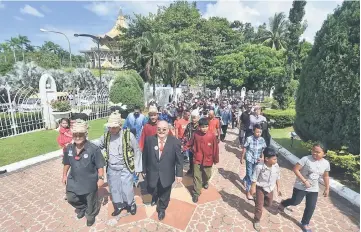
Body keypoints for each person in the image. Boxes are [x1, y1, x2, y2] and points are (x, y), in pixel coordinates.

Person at [93, 111, 142, 217]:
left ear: (120, 126)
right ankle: (119, 205)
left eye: (114, 127)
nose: (112, 129)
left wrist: (138, 168)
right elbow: (98, 144)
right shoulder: (106, 136)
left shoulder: (128, 135)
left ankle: (131, 204)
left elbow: (137, 151)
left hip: (125, 167)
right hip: (111, 168)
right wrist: (85, 142)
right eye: (110, 127)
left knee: (127, 188)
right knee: (114, 188)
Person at [62, 120, 105, 227]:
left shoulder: (93, 149)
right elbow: (66, 163)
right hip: (74, 179)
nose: (77, 137)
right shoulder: (69, 148)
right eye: (75, 134)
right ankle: (82, 207)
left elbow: (100, 165)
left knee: (91, 202)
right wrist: (64, 175)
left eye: (80, 134)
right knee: (71, 197)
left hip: (89, 181)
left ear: (85, 134)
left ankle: (90, 215)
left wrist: (100, 178)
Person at [278, 143, 330, 232]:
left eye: (318, 152)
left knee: (311, 206)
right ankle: (283, 204)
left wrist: (327, 188)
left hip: (314, 188)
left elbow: (326, 176)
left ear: (324, 154)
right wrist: (304, 181)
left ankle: (305, 223)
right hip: (300, 186)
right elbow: (295, 169)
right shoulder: (306, 159)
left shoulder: (326, 163)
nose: (314, 153)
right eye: (313, 151)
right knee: (295, 202)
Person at [142, 120, 183, 221]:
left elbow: (179, 160)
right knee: (152, 188)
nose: (161, 131)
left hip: (167, 173)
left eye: (164, 129)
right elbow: (144, 156)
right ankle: (155, 197)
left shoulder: (175, 142)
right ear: (156, 130)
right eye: (159, 129)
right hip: (152, 171)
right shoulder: (149, 140)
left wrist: (179, 174)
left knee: (165, 192)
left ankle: (161, 208)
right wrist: (143, 169)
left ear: (168, 130)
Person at [185, 118, 219, 203]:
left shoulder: (212, 136)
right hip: (197, 159)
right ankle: (196, 193)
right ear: (199, 127)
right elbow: (190, 143)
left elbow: (215, 149)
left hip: (208, 159)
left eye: (206, 126)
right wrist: (184, 148)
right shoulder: (196, 134)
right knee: (197, 176)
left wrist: (215, 158)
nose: (204, 128)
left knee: (207, 174)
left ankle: (205, 181)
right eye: (203, 127)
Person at [251, 147, 282, 231]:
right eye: (274, 159)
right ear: (267, 159)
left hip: (270, 189)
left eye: (276, 159)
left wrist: (278, 188)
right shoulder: (259, 167)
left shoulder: (276, 166)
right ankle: (257, 220)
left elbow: (278, 177)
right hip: (260, 188)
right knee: (259, 207)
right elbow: (254, 179)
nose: (276, 161)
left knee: (269, 203)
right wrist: (253, 188)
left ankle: (258, 203)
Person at [240, 124, 267, 200]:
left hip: (257, 160)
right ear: (253, 131)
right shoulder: (249, 139)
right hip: (249, 159)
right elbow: (245, 148)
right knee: (250, 176)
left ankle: (244, 180)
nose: (259, 134)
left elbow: (263, 150)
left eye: (260, 132)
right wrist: (242, 157)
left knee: (253, 174)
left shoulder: (262, 140)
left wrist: (262, 158)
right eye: (257, 132)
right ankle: (248, 192)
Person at [122, 106, 147, 186]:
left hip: (139, 140)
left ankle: (136, 177)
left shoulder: (143, 117)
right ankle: (132, 177)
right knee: (130, 158)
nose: (136, 113)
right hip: (129, 139)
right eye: (135, 112)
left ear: (140, 111)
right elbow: (124, 126)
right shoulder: (129, 116)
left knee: (137, 159)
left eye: (138, 112)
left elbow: (146, 127)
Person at [183, 110, 200, 176]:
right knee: (190, 158)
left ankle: (196, 172)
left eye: (195, 117)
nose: (193, 119)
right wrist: (184, 143)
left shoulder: (200, 126)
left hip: (198, 146)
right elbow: (185, 134)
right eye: (192, 117)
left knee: (196, 159)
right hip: (190, 146)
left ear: (198, 118)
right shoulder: (189, 125)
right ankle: (191, 170)